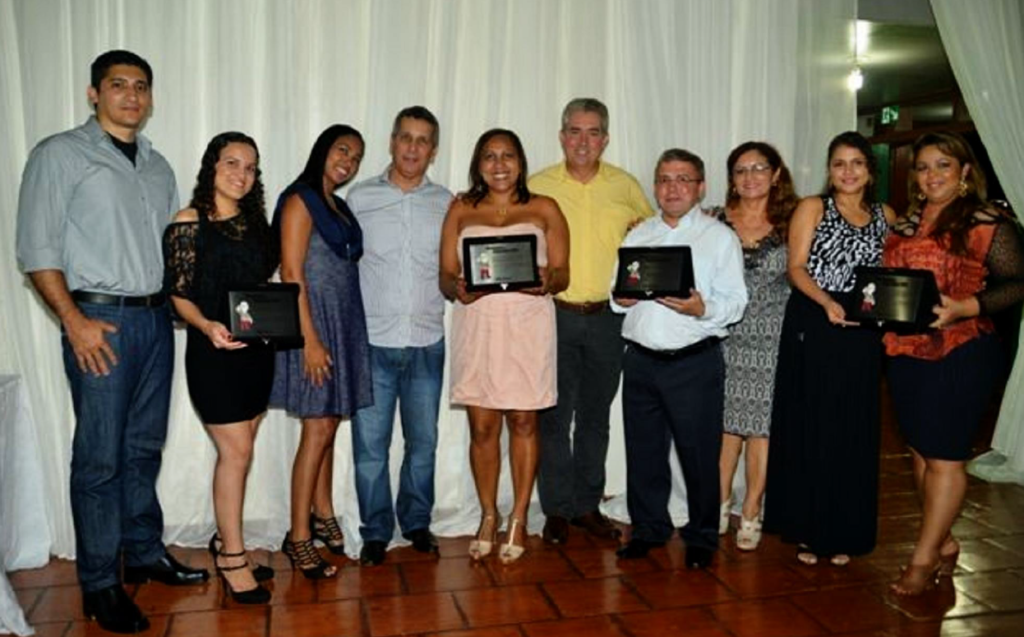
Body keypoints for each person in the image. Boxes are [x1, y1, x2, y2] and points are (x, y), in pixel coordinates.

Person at [15, 50, 208, 634]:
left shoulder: (158, 165)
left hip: (155, 322)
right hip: (99, 320)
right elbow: (36, 248)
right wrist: (74, 321)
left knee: (143, 448)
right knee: (99, 458)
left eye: (141, 86)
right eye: (118, 84)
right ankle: (100, 583)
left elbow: (172, 251)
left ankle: (143, 553)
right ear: (93, 93)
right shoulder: (59, 155)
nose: (131, 95)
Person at [884, 132, 1024, 595]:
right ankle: (943, 542)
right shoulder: (906, 222)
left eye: (943, 165)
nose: (932, 175)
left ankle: (923, 559)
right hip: (906, 350)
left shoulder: (986, 220)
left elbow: (1017, 283)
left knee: (945, 455)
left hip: (962, 350)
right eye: (923, 167)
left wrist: (966, 307)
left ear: (964, 171)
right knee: (920, 451)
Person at [763, 131, 896, 567]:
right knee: (814, 426)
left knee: (854, 428)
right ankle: (810, 529)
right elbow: (796, 268)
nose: (848, 171)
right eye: (839, 163)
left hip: (864, 331)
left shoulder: (886, 215)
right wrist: (827, 304)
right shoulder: (813, 207)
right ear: (829, 169)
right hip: (816, 323)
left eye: (857, 163)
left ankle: (847, 531)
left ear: (870, 170)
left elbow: (893, 275)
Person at [612, 149, 747, 568]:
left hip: (694, 363)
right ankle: (648, 529)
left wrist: (702, 309)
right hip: (640, 361)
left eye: (683, 179)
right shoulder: (638, 235)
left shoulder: (719, 238)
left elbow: (736, 302)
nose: (672, 188)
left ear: (700, 187)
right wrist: (620, 297)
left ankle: (702, 536)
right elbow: (616, 295)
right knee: (644, 452)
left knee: (699, 455)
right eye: (664, 179)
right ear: (655, 186)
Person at [529, 98, 655, 545]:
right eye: (575, 131)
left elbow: (654, 238)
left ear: (605, 139)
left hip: (607, 319)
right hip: (554, 316)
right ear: (562, 136)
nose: (583, 141)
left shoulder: (625, 185)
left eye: (593, 132)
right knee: (552, 418)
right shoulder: (537, 186)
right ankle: (556, 509)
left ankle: (586, 505)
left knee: (595, 417)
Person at [440, 128, 569, 563]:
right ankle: (488, 514)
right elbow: (445, 275)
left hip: (528, 325)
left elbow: (563, 274)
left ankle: (518, 516)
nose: (499, 165)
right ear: (478, 164)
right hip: (478, 324)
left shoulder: (545, 207)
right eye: (490, 156)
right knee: (482, 427)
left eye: (508, 155)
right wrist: (458, 288)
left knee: (524, 421)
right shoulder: (460, 208)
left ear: (521, 161)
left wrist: (545, 280)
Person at [163, 132, 278, 604]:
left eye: (250, 167)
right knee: (237, 453)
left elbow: (263, 288)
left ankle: (225, 540)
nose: (241, 174)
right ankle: (232, 557)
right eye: (231, 163)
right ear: (212, 166)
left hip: (256, 353)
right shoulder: (188, 221)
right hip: (212, 351)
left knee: (241, 452)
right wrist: (207, 325)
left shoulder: (256, 225)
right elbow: (178, 295)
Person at [348, 106, 453, 566]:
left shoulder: (447, 203)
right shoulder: (360, 198)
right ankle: (375, 531)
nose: (413, 147)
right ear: (392, 142)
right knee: (370, 448)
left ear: (433, 150)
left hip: (427, 341)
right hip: (372, 342)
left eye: (422, 140)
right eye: (405, 137)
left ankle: (416, 523)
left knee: (423, 443)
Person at [271, 125, 373, 579]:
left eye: (356, 156)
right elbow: (291, 272)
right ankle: (297, 538)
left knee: (328, 423)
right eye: (342, 150)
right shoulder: (300, 199)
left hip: (342, 323)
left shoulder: (338, 205)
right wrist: (310, 339)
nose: (348, 161)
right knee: (317, 429)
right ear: (322, 151)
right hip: (314, 325)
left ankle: (323, 512)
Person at [708, 142, 798, 551]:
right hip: (721, 334)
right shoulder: (712, 219)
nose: (750, 177)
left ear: (776, 174)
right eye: (741, 170)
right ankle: (718, 502)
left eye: (759, 168)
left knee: (761, 429)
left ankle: (751, 510)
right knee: (724, 425)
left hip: (771, 338)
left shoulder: (795, 221)